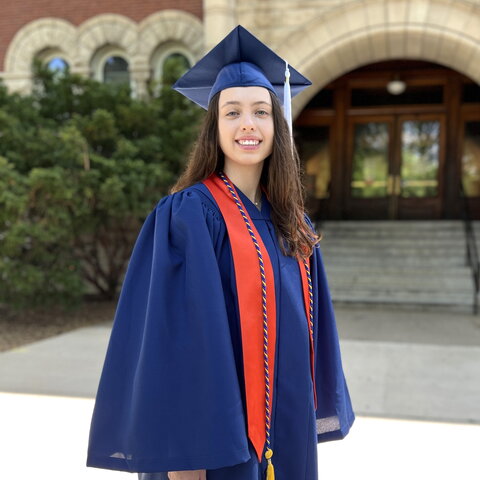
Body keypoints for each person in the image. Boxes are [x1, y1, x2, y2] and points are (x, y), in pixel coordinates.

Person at [86, 25, 354, 480]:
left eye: (260, 112)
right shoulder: (188, 217)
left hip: (285, 434)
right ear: (215, 127)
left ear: (276, 125)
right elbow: (173, 344)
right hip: (210, 445)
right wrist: (186, 464)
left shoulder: (296, 227)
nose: (247, 124)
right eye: (232, 112)